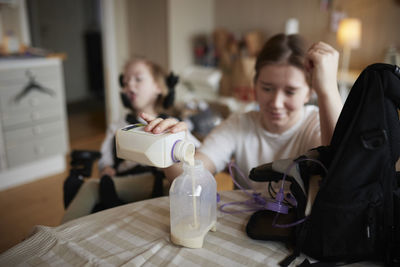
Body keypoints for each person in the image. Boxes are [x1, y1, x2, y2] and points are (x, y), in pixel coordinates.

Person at [140, 33, 343, 190]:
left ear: (309, 92)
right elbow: (190, 179)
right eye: (267, 88)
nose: (276, 102)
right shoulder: (239, 124)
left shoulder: (317, 124)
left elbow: (342, 168)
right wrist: (171, 147)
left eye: (290, 91)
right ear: (255, 86)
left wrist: (328, 90)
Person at [62, 57, 200, 223]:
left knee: (176, 190)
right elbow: (106, 153)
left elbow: (195, 152)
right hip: (124, 180)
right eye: (126, 82)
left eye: (138, 79)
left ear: (158, 87)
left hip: (158, 180)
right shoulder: (118, 126)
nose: (130, 86)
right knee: (92, 187)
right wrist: (106, 167)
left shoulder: (172, 125)